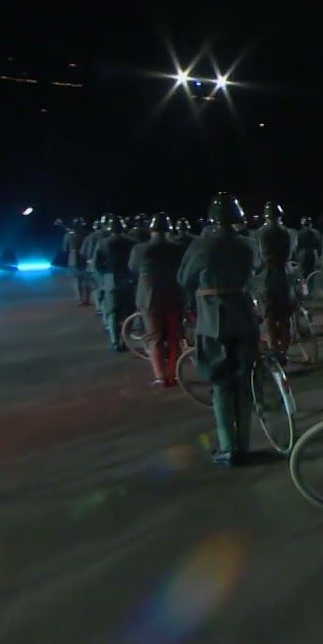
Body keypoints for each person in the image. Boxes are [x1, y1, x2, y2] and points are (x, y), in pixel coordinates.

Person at [178, 193, 262, 466]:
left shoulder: (201, 245)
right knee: (244, 382)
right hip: (244, 317)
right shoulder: (248, 244)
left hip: (213, 321)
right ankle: (244, 445)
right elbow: (257, 270)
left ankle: (228, 448)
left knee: (221, 384)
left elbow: (184, 278)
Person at [129, 213, 186, 385]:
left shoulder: (140, 249)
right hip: (173, 296)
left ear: (151, 230)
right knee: (173, 337)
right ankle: (174, 375)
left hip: (149, 298)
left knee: (154, 338)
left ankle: (161, 376)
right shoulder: (178, 248)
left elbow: (132, 268)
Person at [256, 201, 296, 364]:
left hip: (266, 276)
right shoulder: (288, 233)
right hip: (285, 274)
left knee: (269, 316)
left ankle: (274, 349)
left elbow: (257, 257)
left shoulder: (259, 233)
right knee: (285, 317)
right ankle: (284, 351)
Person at [94, 214, 138, 352]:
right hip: (128, 279)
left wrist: (104, 277)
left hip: (111, 280)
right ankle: (125, 340)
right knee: (128, 311)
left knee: (112, 312)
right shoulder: (132, 242)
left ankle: (114, 341)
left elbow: (97, 265)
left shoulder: (103, 243)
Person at [81, 217, 109, 321]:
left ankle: (99, 308)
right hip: (108, 265)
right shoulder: (109, 235)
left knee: (96, 288)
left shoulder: (90, 237)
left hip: (92, 265)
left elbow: (84, 252)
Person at [62, 218, 92, 306]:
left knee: (77, 280)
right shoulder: (86, 234)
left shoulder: (68, 235)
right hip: (84, 257)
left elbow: (65, 249)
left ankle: (80, 299)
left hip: (73, 258)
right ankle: (87, 299)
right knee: (86, 280)